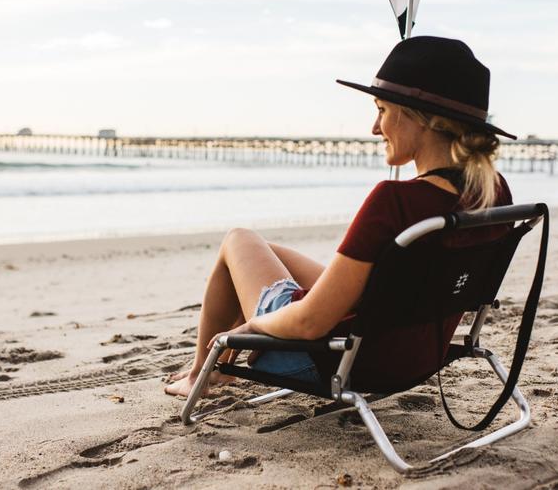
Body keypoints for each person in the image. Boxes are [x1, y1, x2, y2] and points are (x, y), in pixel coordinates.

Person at [165, 36, 516, 397]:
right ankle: (208, 370)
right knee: (267, 250)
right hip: (416, 356)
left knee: (239, 239)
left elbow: (309, 322)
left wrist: (253, 324)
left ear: (422, 120)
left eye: (381, 110)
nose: (375, 128)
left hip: (333, 362)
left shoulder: (396, 201)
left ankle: (201, 375)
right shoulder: (494, 191)